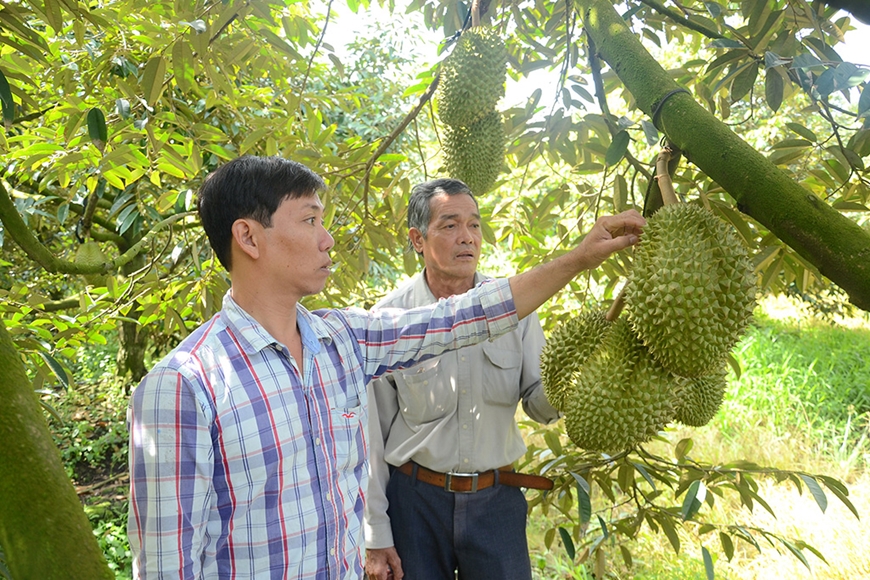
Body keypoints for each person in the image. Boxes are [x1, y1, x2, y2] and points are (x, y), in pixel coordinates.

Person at [126, 155, 644, 580]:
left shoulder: (342, 342)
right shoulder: (184, 386)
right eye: (310, 220)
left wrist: (580, 258)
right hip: (418, 503)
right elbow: (168, 567)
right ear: (249, 237)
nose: (327, 238)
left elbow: (467, 317)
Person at [364, 179, 558, 580]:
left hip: (496, 501)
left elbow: (540, 404)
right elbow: (371, 438)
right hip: (414, 501)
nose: (466, 238)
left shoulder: (515, 308)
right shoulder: (388, 319)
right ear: (418, 239)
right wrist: (375, 533)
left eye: (474, 225)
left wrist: (575, 385)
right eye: (450, 226)